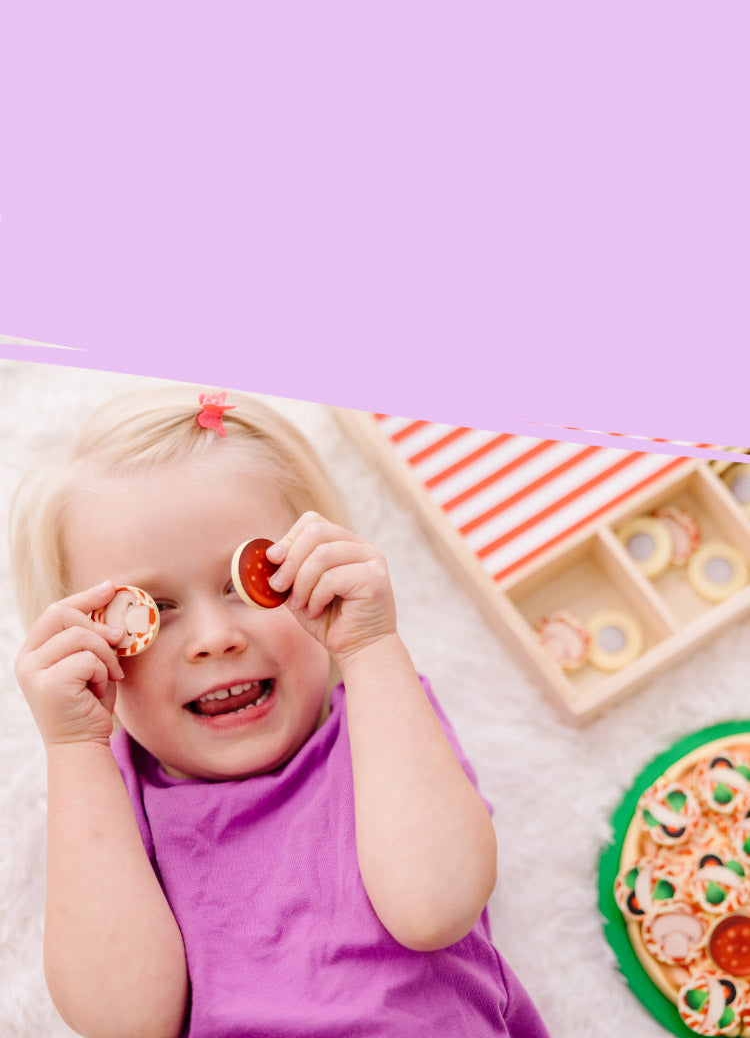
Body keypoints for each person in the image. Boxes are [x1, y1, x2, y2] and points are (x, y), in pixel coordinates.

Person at [12, 386, 550, 1038]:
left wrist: (372, 644)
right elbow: (123, 1019)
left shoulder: (380, 722)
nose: (214, 637)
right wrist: (72, 748)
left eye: (246, 582)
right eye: (154, 609)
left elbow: (436, 906)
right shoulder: (112, 802)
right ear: (99, 648)